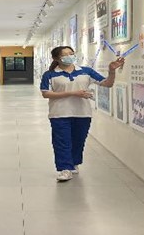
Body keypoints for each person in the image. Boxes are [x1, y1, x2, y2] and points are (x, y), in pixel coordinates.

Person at [40, 46, 124, 181]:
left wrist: (112, 71)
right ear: (56, 58)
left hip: (82, 113)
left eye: (71, 53)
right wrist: (73, 93)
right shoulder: (49, 74)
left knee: (78, 141)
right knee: (62, 142)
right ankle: (65, 169)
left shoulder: (86, 71)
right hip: (59, 114)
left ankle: (74, 163)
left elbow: (107, 84)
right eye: (65, 54)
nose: (69, 56)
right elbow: (46, 93)